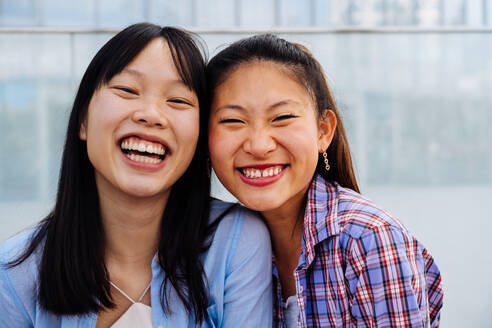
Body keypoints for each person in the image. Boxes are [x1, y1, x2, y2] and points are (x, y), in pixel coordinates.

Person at [0, 23, 272, 327]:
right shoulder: (14, 274)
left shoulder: (235, 242)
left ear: (199, 139)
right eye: (127, 90)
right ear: (83, 121)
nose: (151, 115)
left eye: (178, 101)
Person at [207, 34, 443, 328]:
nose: (258, 145)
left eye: (281, 118)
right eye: (233, 121)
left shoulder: (368, 240)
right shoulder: (221, 244)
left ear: (323, 132)